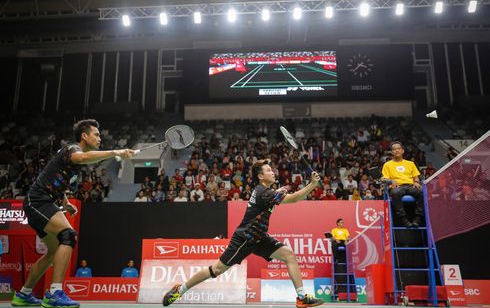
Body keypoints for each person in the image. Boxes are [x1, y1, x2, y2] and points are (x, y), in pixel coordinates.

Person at [162, 159, 324, 308]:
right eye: (268, 170)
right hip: (245, 238)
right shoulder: (263, 192)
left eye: (272, 169)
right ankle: (180, 290)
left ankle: (301, 298)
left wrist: (280, 192)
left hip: (258, 236)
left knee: (288, 255)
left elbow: (276, 199)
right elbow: (293, 199)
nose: (273, 172)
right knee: (216, 270)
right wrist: (312, 184)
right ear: (261, 176)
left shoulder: (265, 191)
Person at [12, 119, 134, 308]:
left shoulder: (74, 164)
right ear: (84, 136)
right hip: (38, 201)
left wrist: (66, 203)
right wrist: (116, 152)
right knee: (68, 236)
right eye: (96, 134)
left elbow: (56, 182)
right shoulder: (72, 149)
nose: (100, 138)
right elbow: (83, 158)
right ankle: (54, 293)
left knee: (53, 252)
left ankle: (24, 294)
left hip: (46, 201)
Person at [381, 141, 424, 227]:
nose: (396, 150)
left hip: (410, 186)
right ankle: (403, 219)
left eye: (398, 148)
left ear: (402, 151)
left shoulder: (410, 163)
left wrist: (416, 182)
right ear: (392, 152)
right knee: (395, 193)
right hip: (398, 187)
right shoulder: (387, 165)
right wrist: (391, 181)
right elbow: (383, 178)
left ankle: (418, 218)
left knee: (421, 192)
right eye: (394, 149)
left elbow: (416, 177)